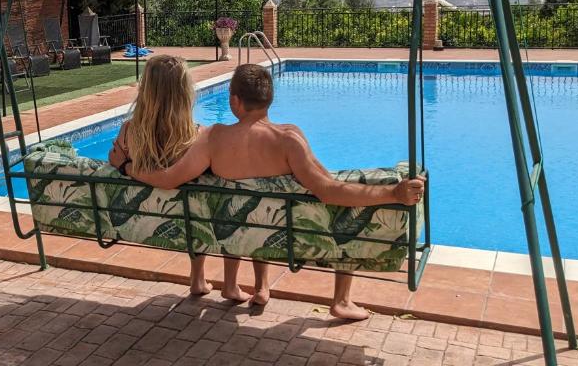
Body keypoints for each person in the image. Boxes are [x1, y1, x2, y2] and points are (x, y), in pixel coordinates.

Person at [124, 63, 425, 319]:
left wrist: (128, 168)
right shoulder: (288, 140)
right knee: (341, 210)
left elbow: (168, 179)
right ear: (269, 100)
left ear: (235, 102)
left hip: (235, 237)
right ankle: (341, 300)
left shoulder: (213, 138)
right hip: (289, 241)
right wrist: (393, 194)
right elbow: (329, 189)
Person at [108, 54, 269, 303]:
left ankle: (197, 278)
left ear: (146, 90)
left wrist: (126, 166)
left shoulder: (128, 132)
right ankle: (213, 280)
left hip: (143, 224)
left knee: (195, 208)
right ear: (184, 93)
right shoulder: (197, 138)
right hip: (192, 224)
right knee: (208, 204)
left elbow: (115, 161)